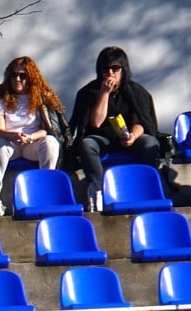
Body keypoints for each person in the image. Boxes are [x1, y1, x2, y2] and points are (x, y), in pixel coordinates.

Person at [68, 46, 161, 212]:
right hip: (101, 137)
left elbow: (140, 122)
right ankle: (97, 189)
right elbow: (95, 122)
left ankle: (144, 185)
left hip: (128, 137)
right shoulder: (89, 92)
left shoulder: (135, 91)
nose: (110, 73)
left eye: (115, 68)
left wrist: (132, 136)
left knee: (150, 143)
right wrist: (104, 93)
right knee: (86, 145)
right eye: (106, 69)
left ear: (123, 69)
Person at [0, 56, 66, 215]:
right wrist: (13, 135)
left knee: (51, 142)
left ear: (31, 78)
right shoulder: (0, 98)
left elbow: (48, 129)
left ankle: (44, 195)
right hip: (10, 143)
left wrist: (31, 137)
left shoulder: (41, 98)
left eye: (22, 76)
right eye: (13, 75)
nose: (17, 79)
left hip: (32, 143)